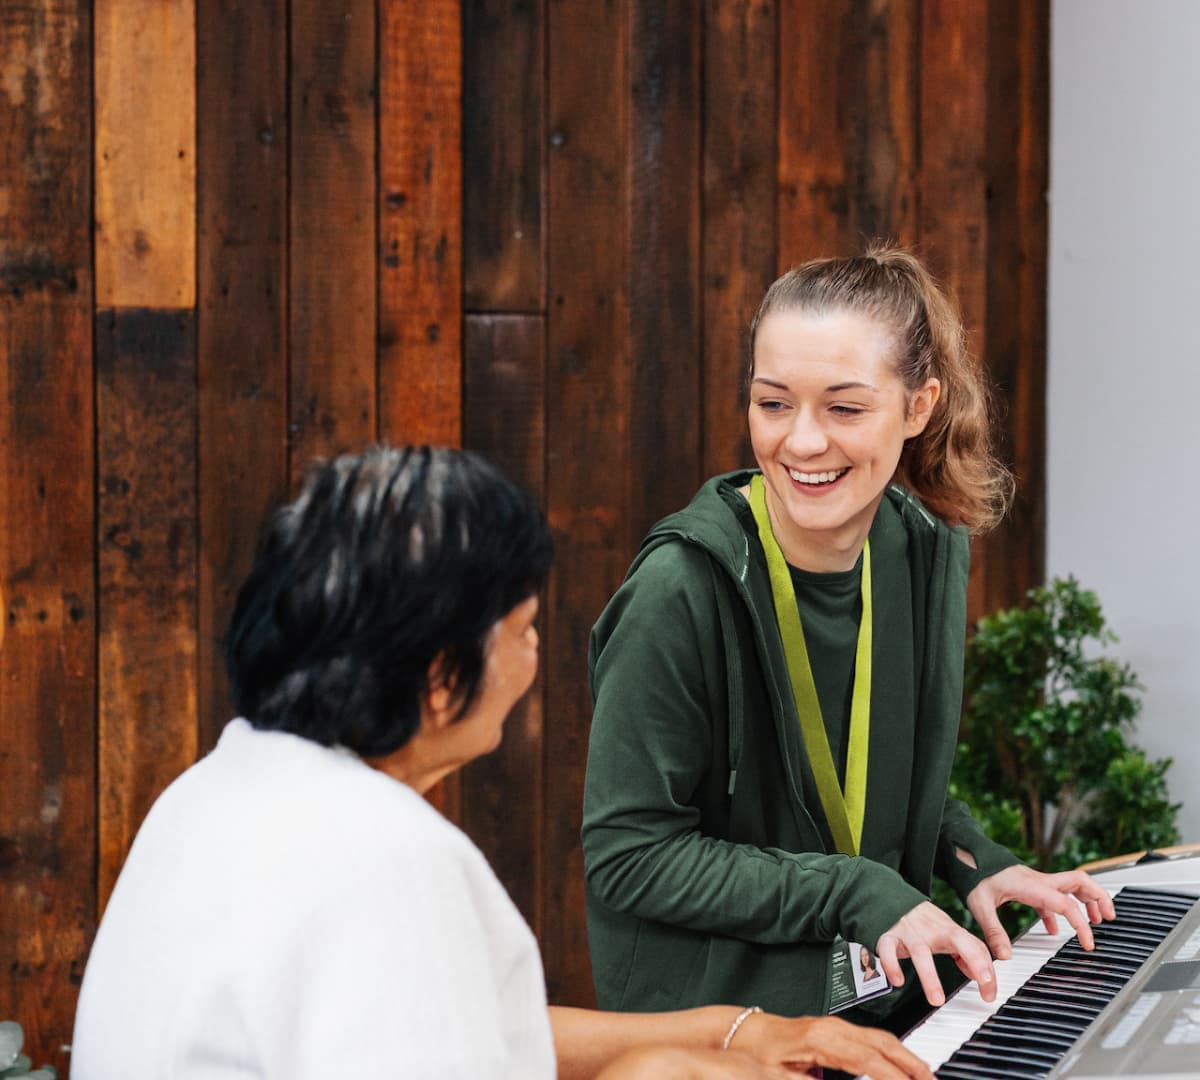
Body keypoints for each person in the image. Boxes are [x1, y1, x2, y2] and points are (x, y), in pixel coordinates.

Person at [71, 445, 932, 1079]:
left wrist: (738, 1032)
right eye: (521, 627)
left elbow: (486, 1032)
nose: (533, 652)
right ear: (442, 680)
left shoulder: (213, 792)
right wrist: (662, 1073)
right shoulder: (386, 855)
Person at [582, 246, 1116, 1032]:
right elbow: (628, 858)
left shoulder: (923, 548)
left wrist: (976, 860)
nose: (801, 443)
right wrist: (855, 890)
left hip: (878, 1014)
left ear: (919, 406)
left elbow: (871, 782)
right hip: (726, 1038)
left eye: (844, 408)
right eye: (773, 404)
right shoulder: (679, 590)